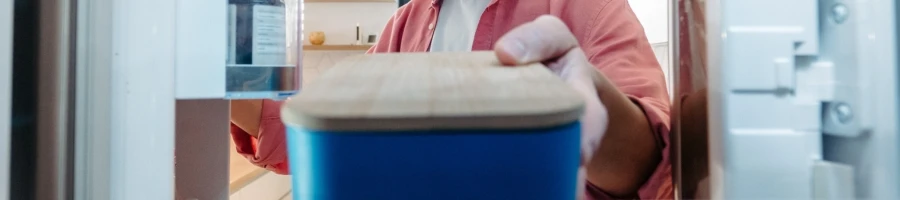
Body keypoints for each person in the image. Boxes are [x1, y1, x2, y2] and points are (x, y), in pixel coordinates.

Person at [229, 0, 671, 199]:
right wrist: (217, 85)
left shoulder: (586, 7)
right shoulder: (405, 22)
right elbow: (324, 132)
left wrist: (584, 107)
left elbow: (654, 167)